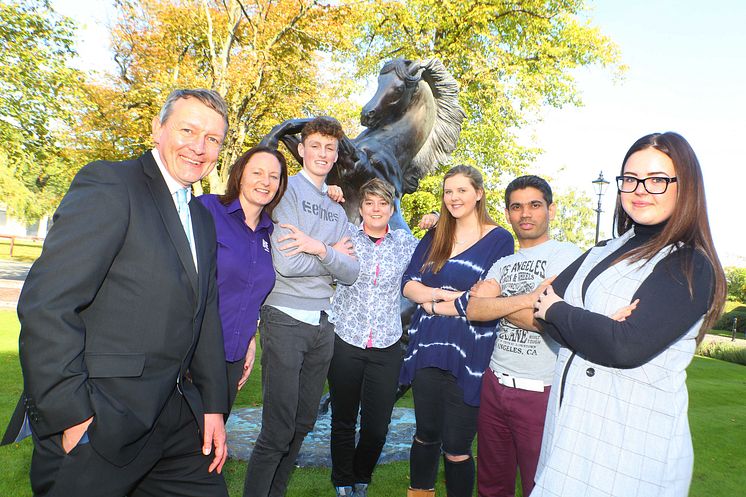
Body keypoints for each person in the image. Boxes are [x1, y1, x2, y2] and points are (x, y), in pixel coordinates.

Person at [1, 89, 231, 496]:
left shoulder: (201, 217)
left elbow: (205, 312)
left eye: (212, 139)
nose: (199, 147)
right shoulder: (110, 184)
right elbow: (48, 304)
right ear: (157, 130)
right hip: (103, 422)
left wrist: (212, 404)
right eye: (188, 130)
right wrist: (72, 417)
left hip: (176, 420)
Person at [531, 132, 726, 497]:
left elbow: (624, 347)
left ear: (686, 187)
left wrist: (563, 311)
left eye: (657, 180)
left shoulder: (688, 264)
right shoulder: (605, 248)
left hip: (631, 446)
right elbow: (541, 307)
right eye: (631, 179)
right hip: (571, 432)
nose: (640, 189)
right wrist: (594, 323)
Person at [243, 116, 360, 497]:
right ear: (303, 150)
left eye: (330, 147)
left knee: (303, 423)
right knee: (277, 428)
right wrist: (330, 260)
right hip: (285, 318)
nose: (323, 153)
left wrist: (319, 248)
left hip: (322, 325)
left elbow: (352, 271)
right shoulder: (287, 192)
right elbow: (287, 264)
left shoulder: (338, 208)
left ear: (336, 153)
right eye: (316, 146)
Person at [401, 165, 514, 497]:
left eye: (461, 190)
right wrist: (445, 296)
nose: (453, 198)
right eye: (448, 191)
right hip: (427, 345)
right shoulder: (436, 235)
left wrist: (433, 301)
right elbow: (408, 284)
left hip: (470, 349)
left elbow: (488, 296)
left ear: (478, 193)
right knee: (426, 433)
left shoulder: (499, 239)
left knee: (457, 444)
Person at [465, 176, 582, 497]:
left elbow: (546, 323)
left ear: (551, 210)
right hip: (495, 385)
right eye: (517, 206)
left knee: (540, 485)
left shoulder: (569, 257)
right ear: (507, 213)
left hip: (541, 392)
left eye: (534, 205)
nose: (525, 213)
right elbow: (474, 309)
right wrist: (532, 297)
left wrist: (497, 304)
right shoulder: (503, 262)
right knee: (491, 484)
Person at [327, 178, 425, 497]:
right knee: (343, 419)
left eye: (383, 203)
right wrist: (325, 193)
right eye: (369, 203)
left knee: (376, 427)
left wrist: (438, 221)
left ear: (391, 208)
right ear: (361, 208)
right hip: (346, 340)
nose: (376, 209)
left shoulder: (404, 243)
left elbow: (439, 248)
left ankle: (361, 476)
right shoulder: (345, 237)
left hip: (386, 346)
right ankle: (343, 482)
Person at [198, 146, 288, 413]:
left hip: (233, 358)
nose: (265, 181)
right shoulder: (207, 210)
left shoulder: (268, 234)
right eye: (257, 172)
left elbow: (250, 295)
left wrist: (250, 341)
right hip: (194, 353)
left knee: (209, 448)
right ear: (240, 175)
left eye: (274, 176)